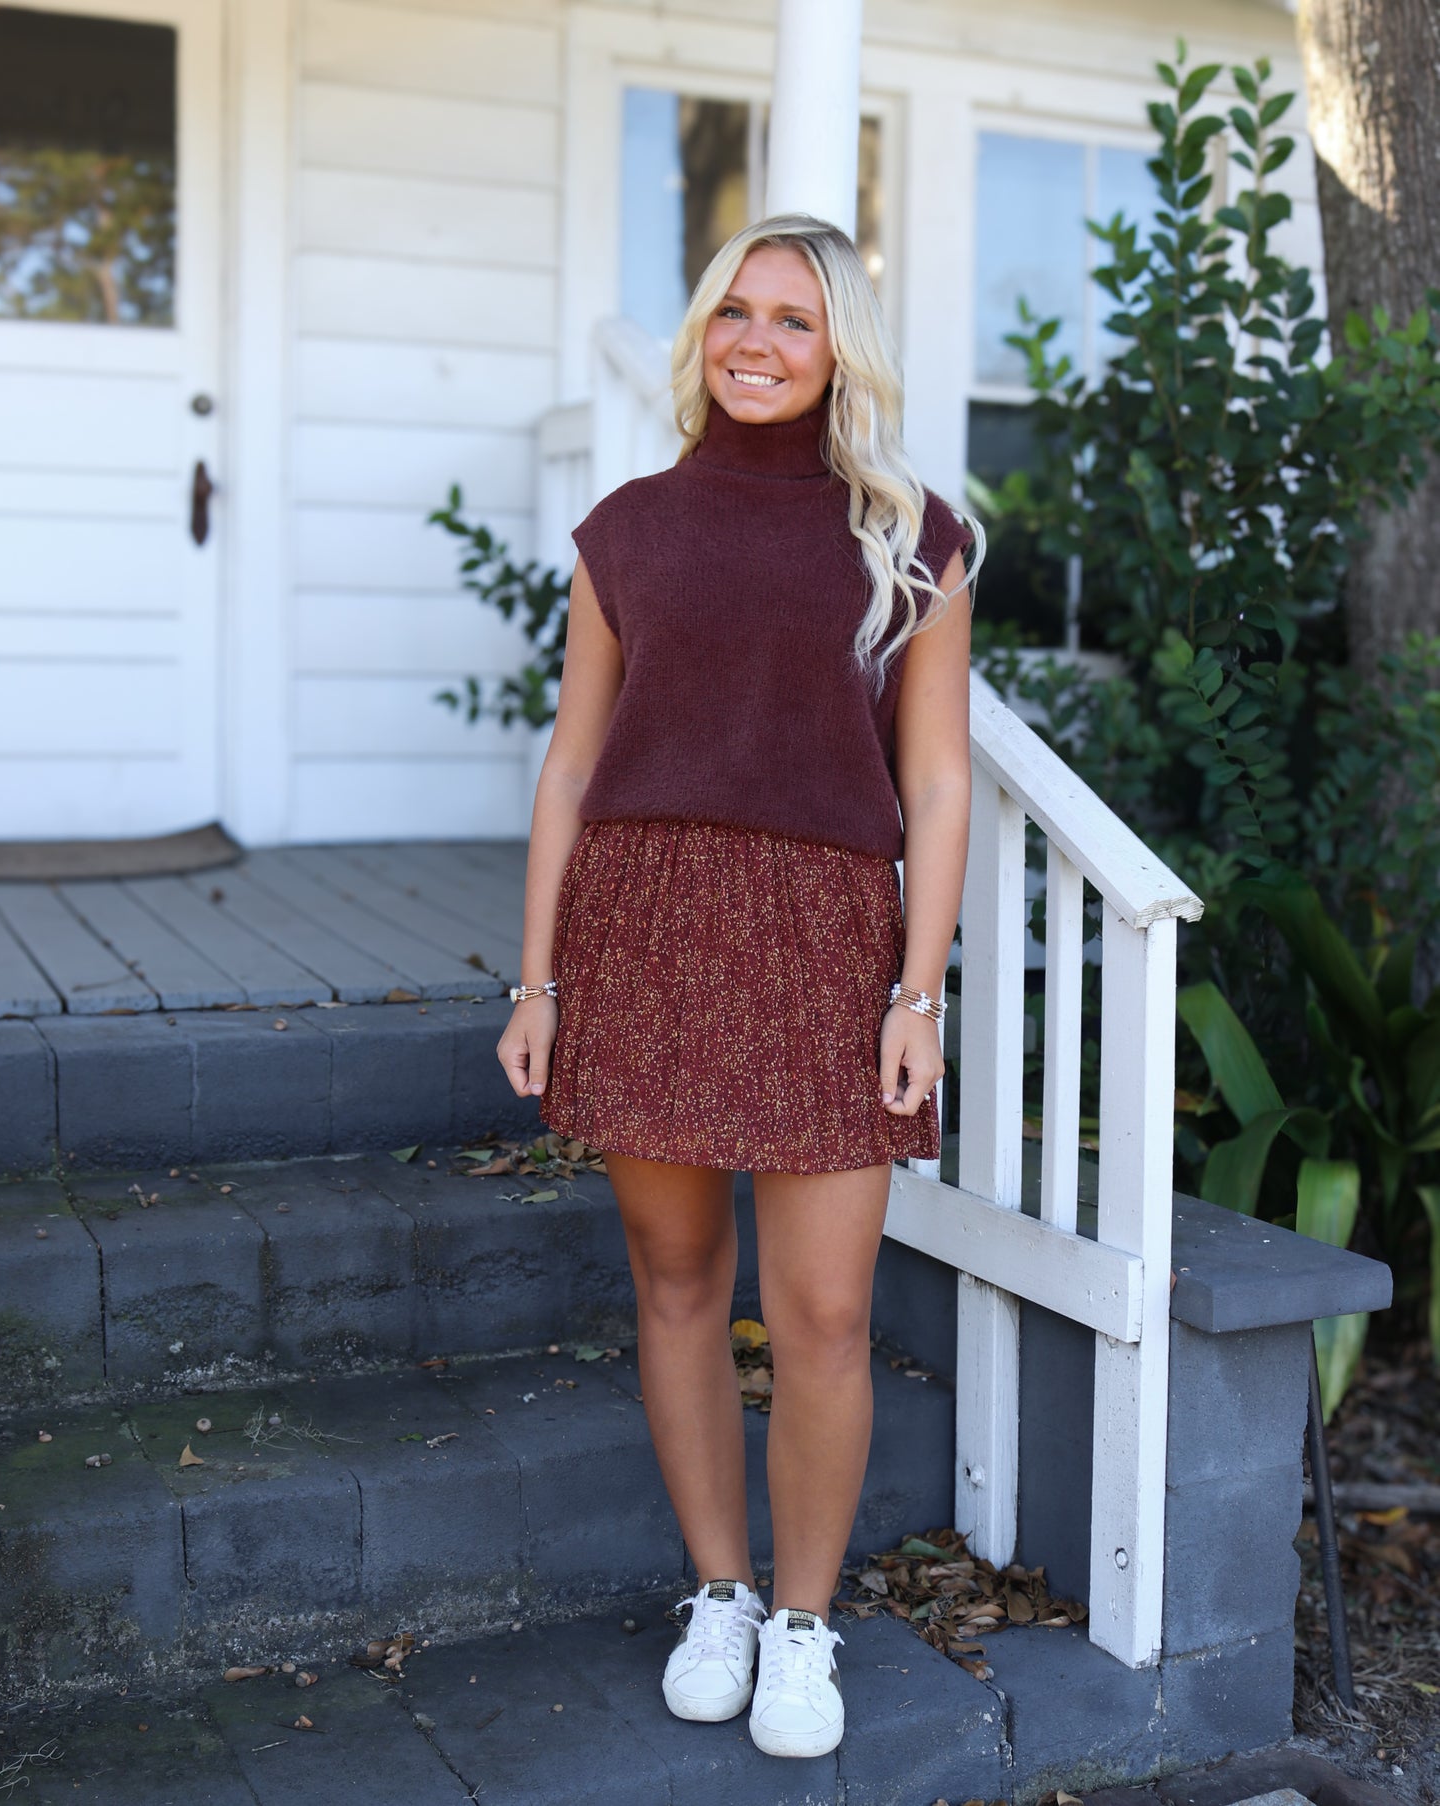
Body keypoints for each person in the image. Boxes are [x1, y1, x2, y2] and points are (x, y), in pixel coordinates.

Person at [497, 212, 979, 1761]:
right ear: (702, 332)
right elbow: (570, 765)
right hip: (644, 925)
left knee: (824, 1310)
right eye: (733, 313)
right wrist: (537, 979)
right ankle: (718, 1590)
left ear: (840, 351)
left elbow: (939, 782)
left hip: (827, 937)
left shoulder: (909, 534)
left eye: (793, 319)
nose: (756, 343)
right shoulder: (627, 530)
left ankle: (803, 1621)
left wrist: (917, 992)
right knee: (676, 1278)